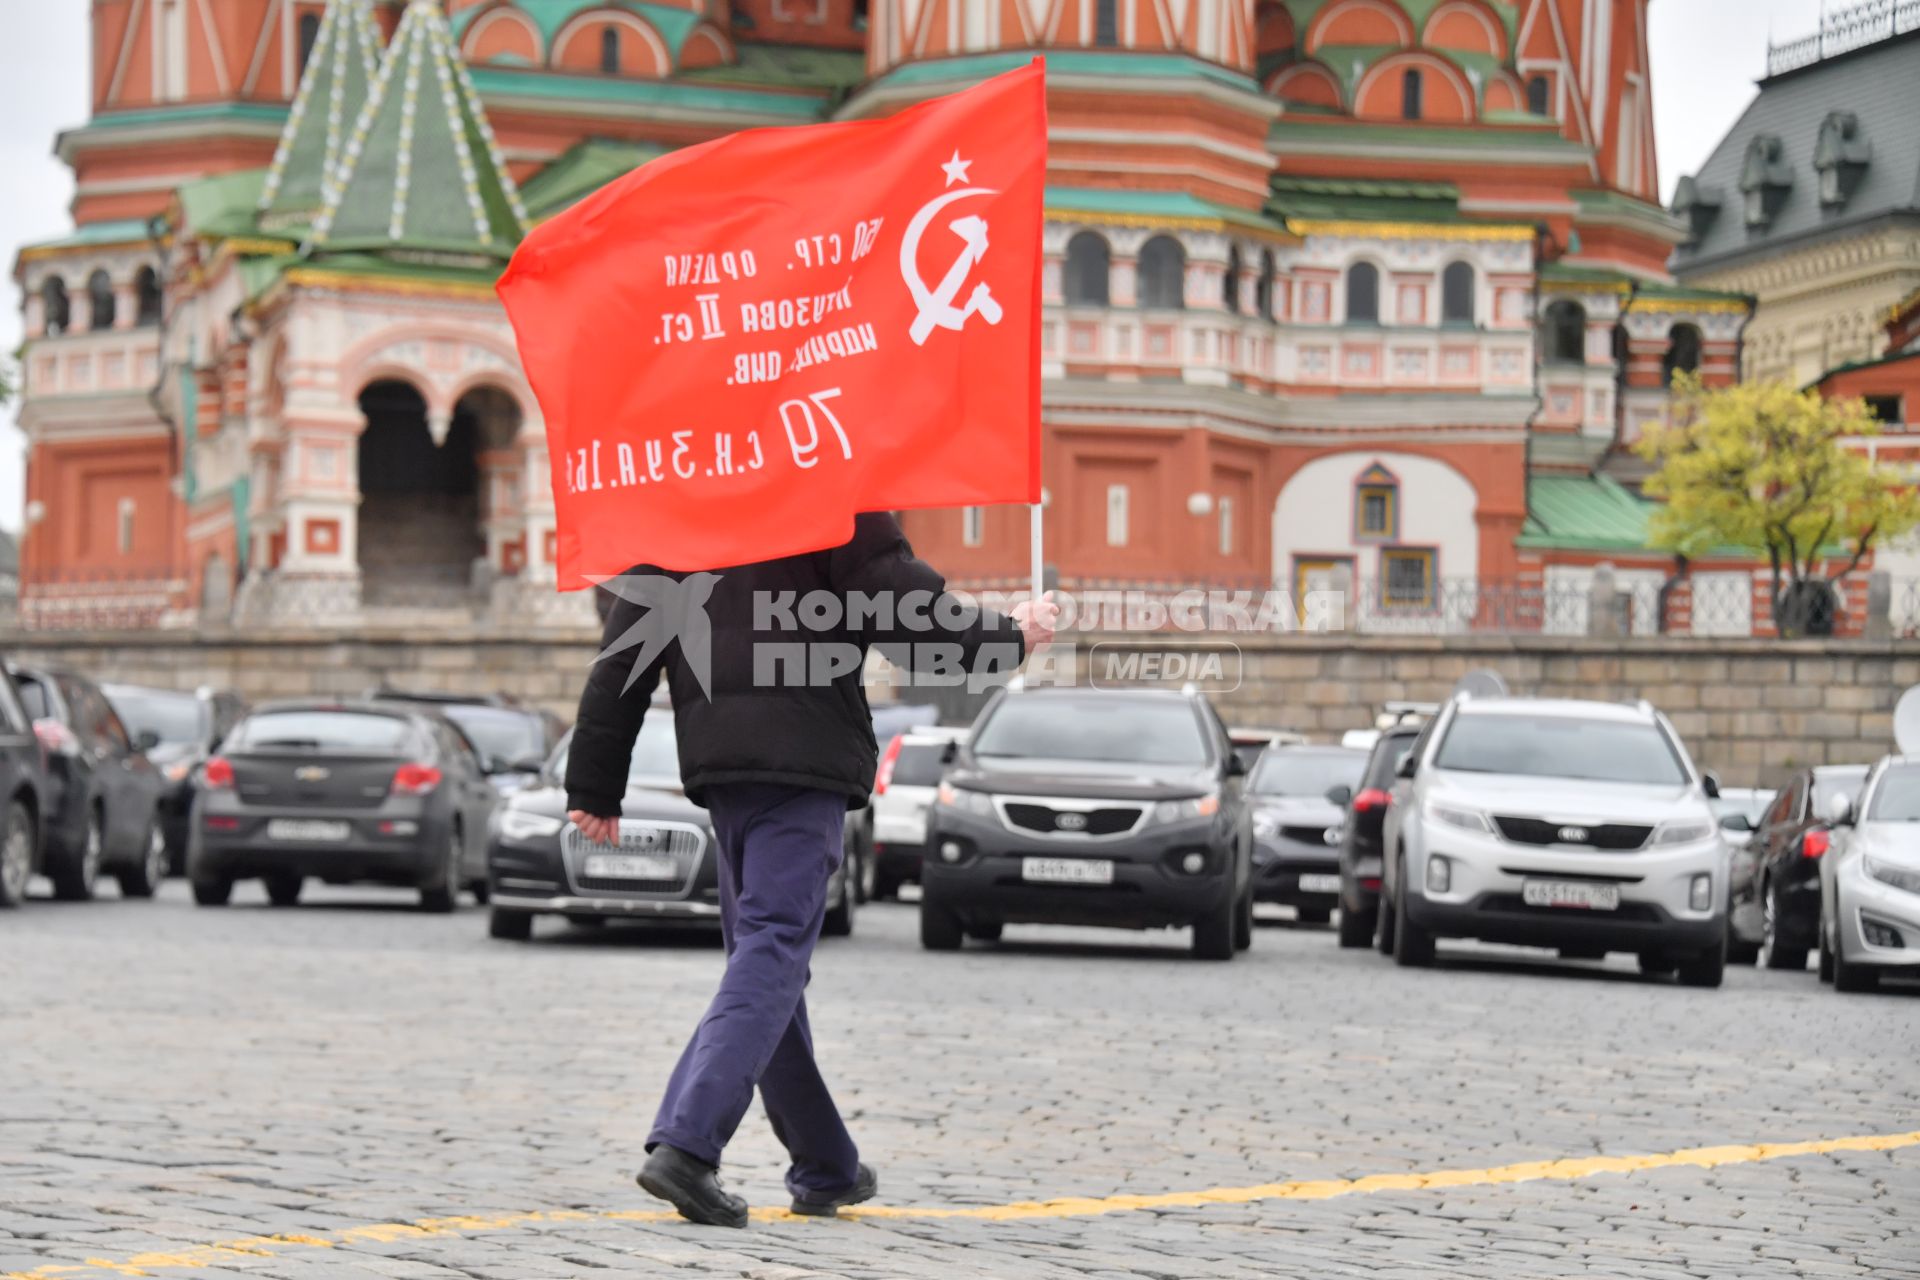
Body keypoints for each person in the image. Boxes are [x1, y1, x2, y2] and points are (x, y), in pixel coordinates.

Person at [565, 512, 1055, 1227]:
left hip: (722, 767)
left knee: (766, 965)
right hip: (802, 767)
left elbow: (624, 657)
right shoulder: (829, 496)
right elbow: (906, 612)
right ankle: (687, 1143)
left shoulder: (682, 504)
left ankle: (825, 1164)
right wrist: (1011, 636)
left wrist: (594, 784)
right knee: (770, 952)